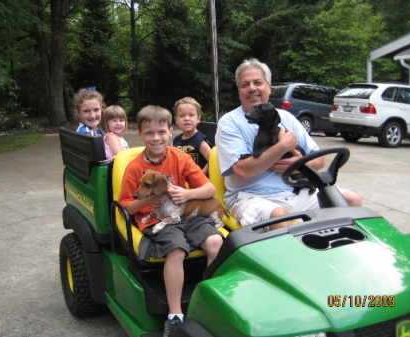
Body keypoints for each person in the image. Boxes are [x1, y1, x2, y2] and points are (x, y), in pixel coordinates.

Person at [216, 58, 362, 230]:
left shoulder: (286, 118)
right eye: (245, 84)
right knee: (280, 217)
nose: (252, 88)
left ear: (269, 87)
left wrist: (300, 165)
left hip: (295, 193)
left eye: (258, 82)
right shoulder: (229, 122)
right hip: (251, 196)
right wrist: (283, 146)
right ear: (239, 91)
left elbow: (320, 161)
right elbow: (242, 171)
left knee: (351, 200)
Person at [118, 105, 223, 337]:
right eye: (150, 133)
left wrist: (188, 194)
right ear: (140, 135)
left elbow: (209, 188)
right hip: (157, 219)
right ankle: (175, 315)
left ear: (170, 131)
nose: (156, 138)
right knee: (176, 250)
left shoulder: (180, 157)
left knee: (216, 241)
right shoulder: (135, 167)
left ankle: (209, 303)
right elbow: (125, 205)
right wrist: (148, 201)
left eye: (161, 132)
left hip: (186, 213)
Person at [173, 97, 212, 175]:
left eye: (191, 115)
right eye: (182, 116)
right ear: (176, 120)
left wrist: (200, 175)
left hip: (199, 182)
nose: (187, 118)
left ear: (198, 119)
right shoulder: (175, 141)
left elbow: (212, 160)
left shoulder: (200, 140)